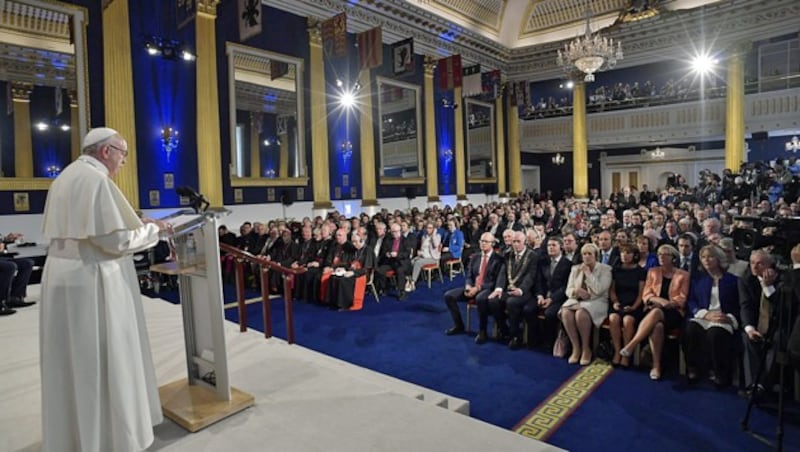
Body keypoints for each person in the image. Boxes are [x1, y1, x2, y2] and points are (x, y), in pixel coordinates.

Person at [39, 128, 170, 452]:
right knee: (103, 357)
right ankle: (111, 439)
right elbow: (116, 241)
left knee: (70, 360)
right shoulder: (96, 180)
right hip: (92, 279)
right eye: (123, 155)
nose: (123, 162)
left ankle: (75, 437)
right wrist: (153, 230)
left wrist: (133, 222)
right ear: (107, 151)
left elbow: (93, 226)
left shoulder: (66, 176)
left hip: (60, 277)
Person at [620, 244, 690, 381]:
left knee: (658, 312)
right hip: (653, 309)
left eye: (665, 254)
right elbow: (646, 294)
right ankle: (656, 366)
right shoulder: (653, 271)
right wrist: (658, 300)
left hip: (673, 311)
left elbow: (682, 297)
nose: (661, 257)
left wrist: (668, 303)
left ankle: (632, 344)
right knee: (657, 326)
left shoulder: (683, 275)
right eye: (659, 254)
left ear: (673, 258)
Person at [684, 244, 740, 387]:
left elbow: (738, 304)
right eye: (703, 257)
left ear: (719, 259)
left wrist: (730, 318)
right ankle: (693, 368)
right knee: (691, 329)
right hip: (704, 315)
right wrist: (704, 314)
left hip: (723, 317)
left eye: (710, 257)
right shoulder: (699, 280)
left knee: (715, 334)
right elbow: (691, 301)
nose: (706, 260)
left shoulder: (733, 280)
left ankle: (719, 372)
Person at [560, 243, 613, 365]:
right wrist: (576, 292)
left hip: (597, 301)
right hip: (577, 300)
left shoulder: (606, 269)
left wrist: (588, 273)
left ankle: (586, 348)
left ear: (596, 256)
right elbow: (568, 290)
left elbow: (600, 289)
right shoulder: (575, 268)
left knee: (581, 313)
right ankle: (576, 347)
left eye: (590, 254)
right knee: (566, 311)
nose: (587, 256)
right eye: (584, 254)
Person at [443, 232, 504, 336]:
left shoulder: (498, 259)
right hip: (472, 287)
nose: (483, 243)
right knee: (449, 296)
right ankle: (459, 325)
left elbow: (494, 282)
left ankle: (482, 331)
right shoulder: (475, 257)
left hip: (487, 288)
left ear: (492, 243)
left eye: (486, 242)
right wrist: (468, 286)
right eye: (481, 241)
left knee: (480, 298)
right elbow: (469, 276)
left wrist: (478, 288)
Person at [608, 244, 646, 368]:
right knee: (613, 318)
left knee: (628, 320)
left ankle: (626, 353)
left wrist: (634, 307)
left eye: (628, 253)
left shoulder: (640, 271)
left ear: (634, 255)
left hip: (634, 303)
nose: (625, 255)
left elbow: (641, 294)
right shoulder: (616, 269)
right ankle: (617, 351)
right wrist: (615, 302)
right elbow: (612, 290)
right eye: (623, 253)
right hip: (619, 302)